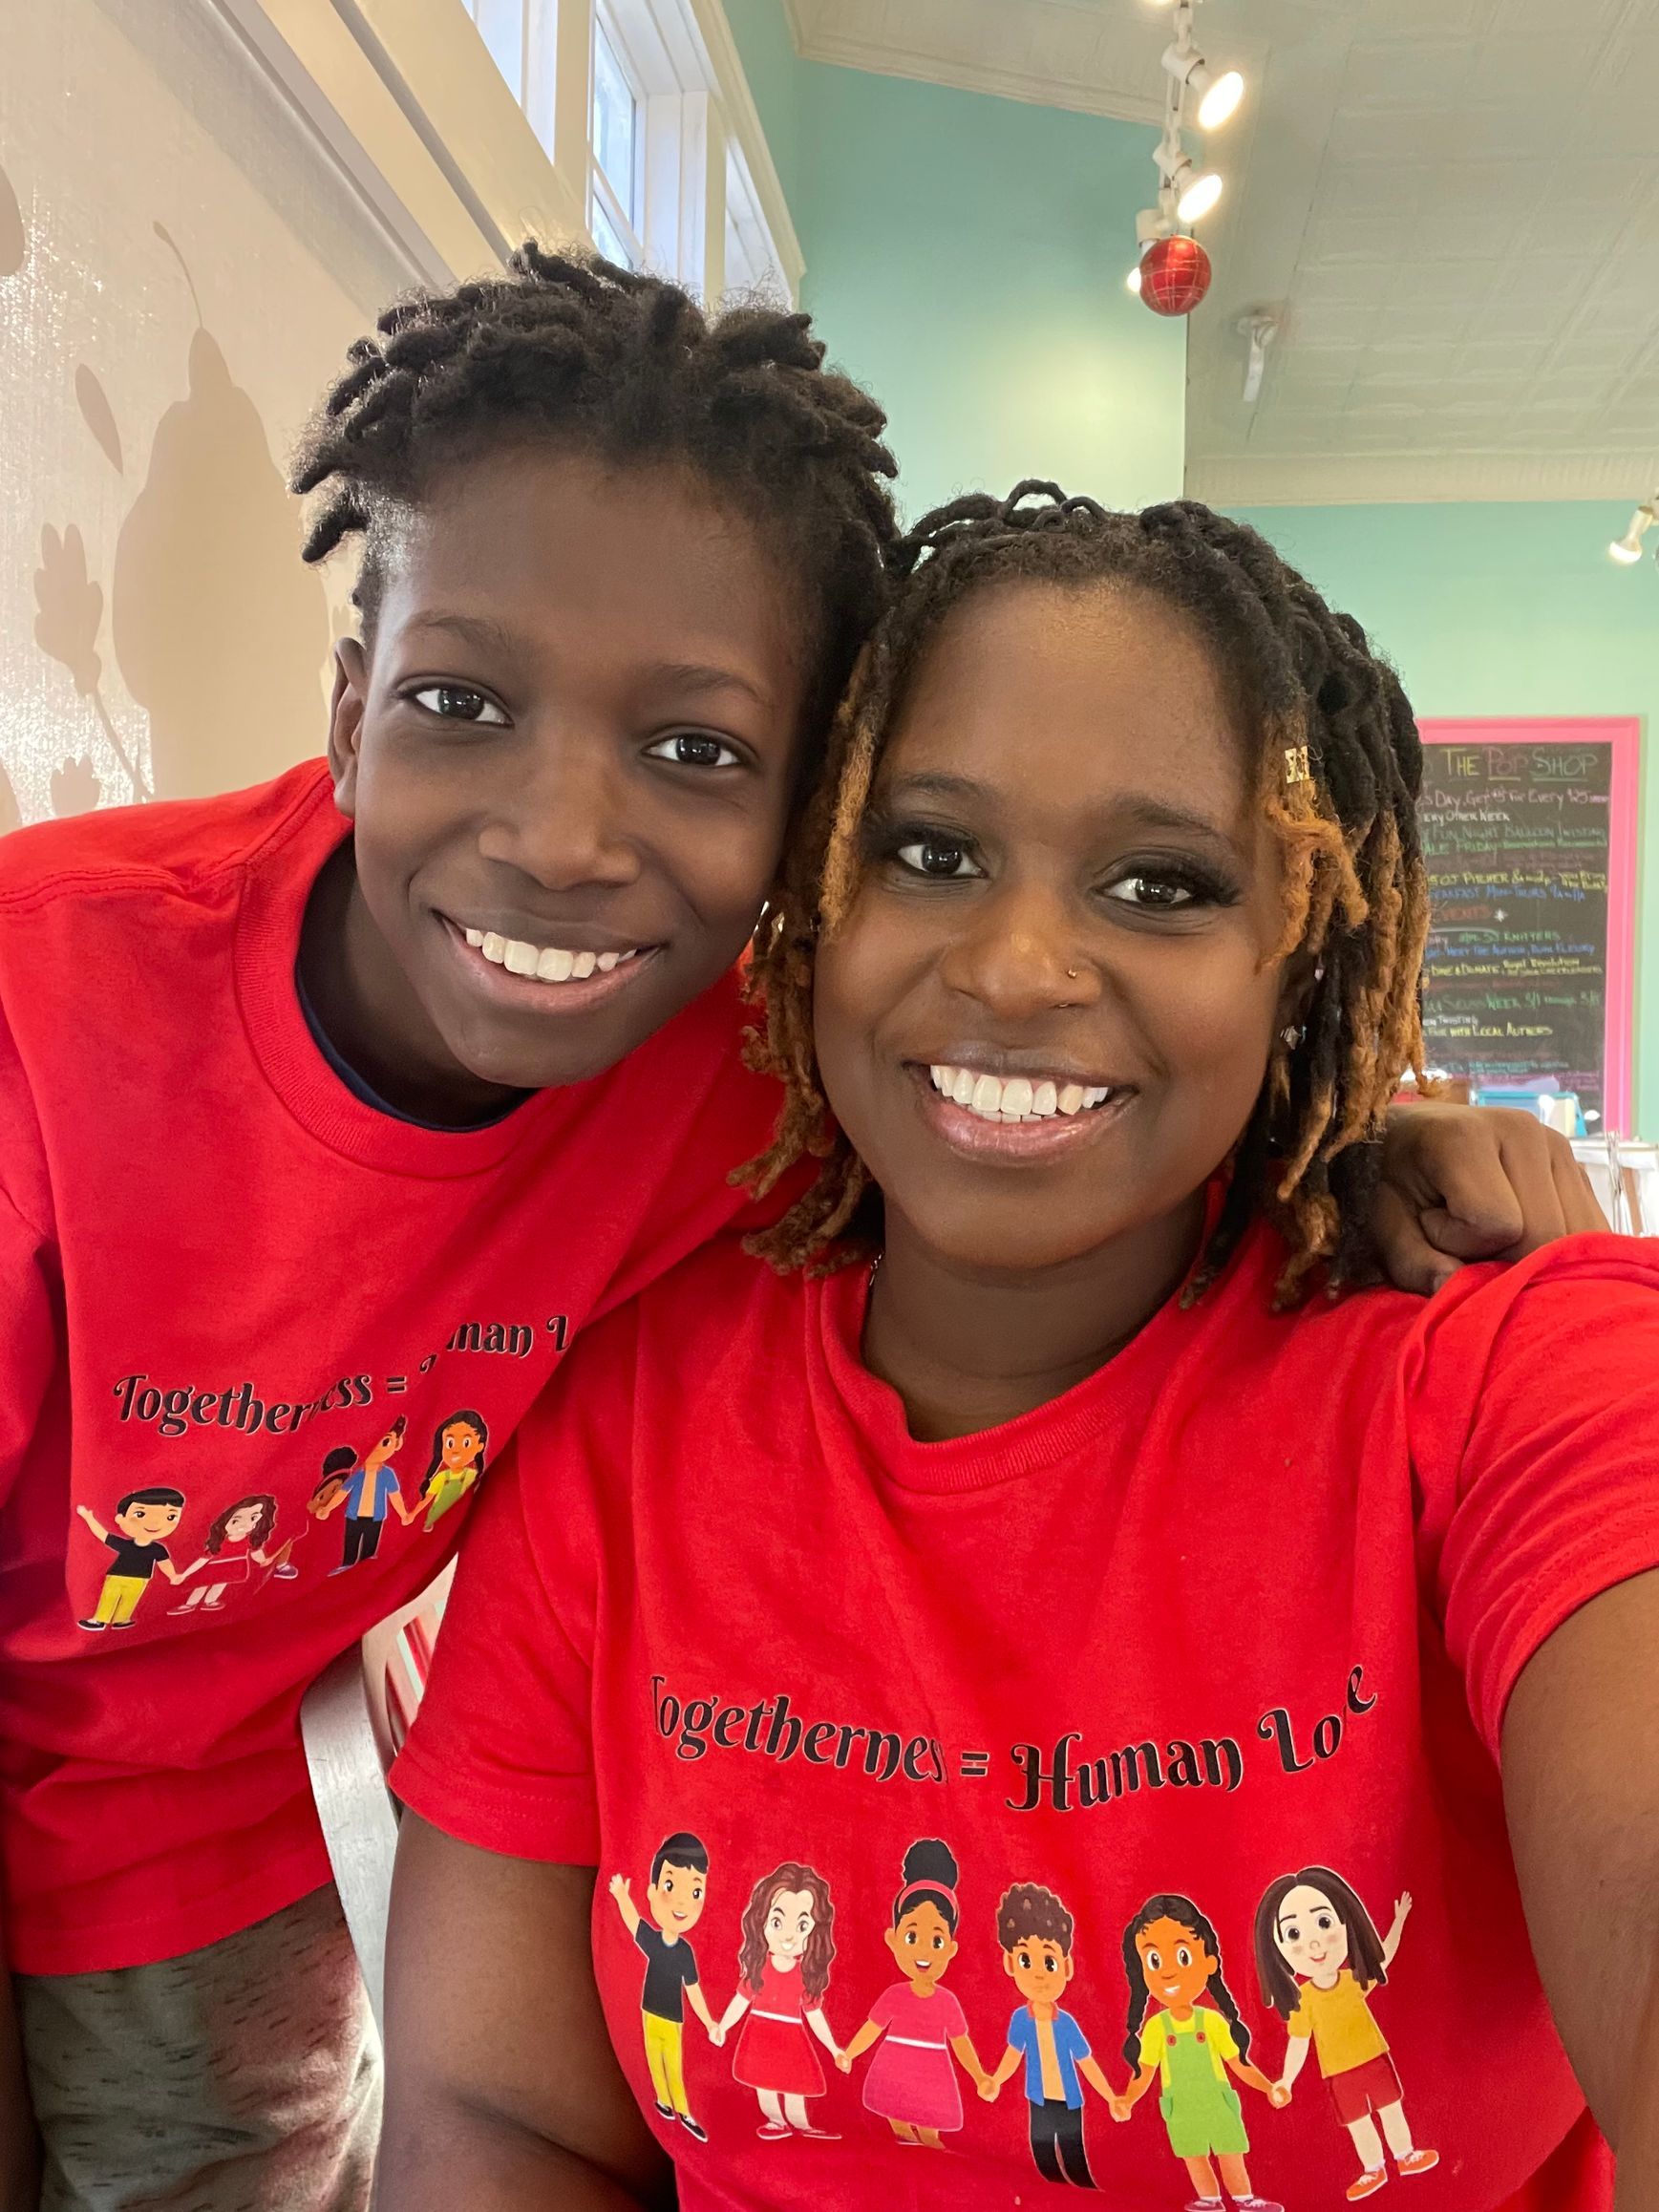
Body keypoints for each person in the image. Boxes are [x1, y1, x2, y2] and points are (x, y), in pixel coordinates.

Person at [382, 486, 1648, 2212]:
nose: (1020, 965)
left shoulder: (1508, 1378)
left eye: (1159, 884)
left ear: (1299, 959)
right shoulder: (629, 1410)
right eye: (930, 850)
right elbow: (498, 2121)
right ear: (811, 899)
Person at [0, 245, 900, 2212]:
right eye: (462, 703)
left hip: (250, 1855)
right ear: (349, 712)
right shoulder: (46, 1006)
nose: (564, 835)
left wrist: (1408, 1151)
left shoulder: (758, 1081)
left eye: (692, 751)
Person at [1253, 1867, 1435, 2200]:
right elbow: (1299, 2041)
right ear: (1277, 1947)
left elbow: (1384, 1958)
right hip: (1339, 2072)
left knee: (1391, 2108)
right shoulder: (1304, 1999)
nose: (1313, 1942)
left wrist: (1399, 1920)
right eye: (1293, 1934)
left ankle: (1405, 2155)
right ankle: (1372, 2169)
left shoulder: (1352, 1980)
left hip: (1372, 2058)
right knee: (1358, 2122)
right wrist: (1286, 2080)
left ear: (1345, 1923)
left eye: (1323, 1923)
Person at [1112, 1892, 1286, 2211]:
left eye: (1182, 1956)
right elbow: (1145, 2074)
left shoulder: (1213, 2022)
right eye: (1153, 1961)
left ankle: (1245, 2199)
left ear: (1208, 1963)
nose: (1167, 1972)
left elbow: (1240, 2065)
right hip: (1182, 2107)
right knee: (1193, 2155)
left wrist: (1268, 2086)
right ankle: (1210, 2201)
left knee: (1230, 2150)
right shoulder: (1156, 2029)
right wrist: (1127, 2099)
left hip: (1216, 2101)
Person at [838, 1838, 989, 2148]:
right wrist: (849, 2053)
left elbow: (961, 2043)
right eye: (911, 1936)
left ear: (951, 1948)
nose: (923, 1950)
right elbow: (872, 2028)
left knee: (931, 2136)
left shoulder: (948, 2002)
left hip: (932, 2077)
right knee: (900, 2130)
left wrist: (979, 2076)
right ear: (892, 1939)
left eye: (936, 1941)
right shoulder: (894, 1995)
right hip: (893, 2071)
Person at [983, 1882, 1113, 2187]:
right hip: (1038, 2099)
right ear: (1010, 1963)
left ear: (1066, 1967)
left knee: (1075, 2160)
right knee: (1043, 2159)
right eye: (1027, 1960)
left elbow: (1086, 2062)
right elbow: (1012, 2056)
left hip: (1070, 2101)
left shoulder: (1065, 2022)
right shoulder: (1021, 2019)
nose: (1039, 1973)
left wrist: (1110, 2098)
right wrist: (995, 2081)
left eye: (1049, 1961)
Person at [607, 1834, 722, 2143]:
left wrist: (709, 2020)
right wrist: (621, 1897)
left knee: (673, 2064)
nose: (682, 1902)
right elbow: (634, 1925)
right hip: (650, 2012)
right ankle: (663, 2100)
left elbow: (694, 1989)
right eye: (671, 1887)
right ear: (653, 1891)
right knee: (653, 2057)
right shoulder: (654, 1942)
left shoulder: (684, 1952)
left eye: (695, 1890)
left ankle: (683, 2110)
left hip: (673, 2019)